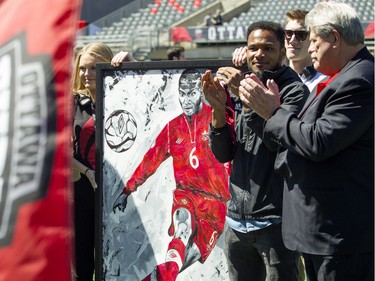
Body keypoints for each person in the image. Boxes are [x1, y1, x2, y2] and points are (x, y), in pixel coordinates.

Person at [238, 2, 374, 281]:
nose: (308, 48)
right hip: (321, 231)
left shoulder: (359, 80)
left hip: (338, 234)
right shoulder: (343, 76)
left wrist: (272, 112)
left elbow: (316, 141)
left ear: (334, 38)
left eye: (313, 40)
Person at [201, 21, 309, 281]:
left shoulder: (294, 91)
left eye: (268, 48)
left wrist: (248, 100)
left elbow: (276, 142)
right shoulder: (241, 85)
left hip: (276, 221)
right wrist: (217, 111)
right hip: (237, 221)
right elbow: (224, 154)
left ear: (282, 53)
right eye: (253, 48)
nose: (259, 54)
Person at [113, 69, 231, 281]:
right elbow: (151, 159)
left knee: (186, 258)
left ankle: (155, 278)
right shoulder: (173, 128)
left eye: (191, 93)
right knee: (182, 226)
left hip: (215, 205)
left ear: (200, 92)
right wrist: (127, 189)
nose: (186, 99)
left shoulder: (217, 117)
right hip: (186, 194)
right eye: (182, 93)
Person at [71, 43, 132, 281]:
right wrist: (88, 173)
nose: (86, 74)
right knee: (82, 265)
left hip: (119, 193)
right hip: (83, 192)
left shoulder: (124, 100)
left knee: (118, 264)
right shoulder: (74, 104)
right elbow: (62, 153)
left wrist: (132, 62)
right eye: (83, 69)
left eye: (93, 68)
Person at [284, 9, 328, 93]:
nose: (292, 40)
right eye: (288, 34)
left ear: (313, 39)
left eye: (300, 35)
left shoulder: (324, 81)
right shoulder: (273, 81)